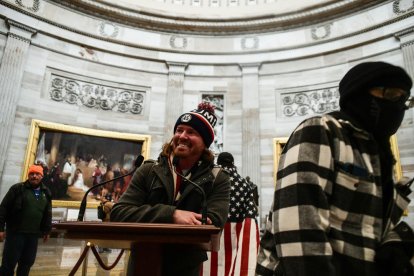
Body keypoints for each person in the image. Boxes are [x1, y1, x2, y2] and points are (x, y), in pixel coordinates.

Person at [256, 61, 414, 276]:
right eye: (391, 94)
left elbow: (372, 224)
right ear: (360, 94)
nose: (399, 106)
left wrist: (393, 242)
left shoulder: (378, 154)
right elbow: (300, 225)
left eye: (404, 99)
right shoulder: (321, 130)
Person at [111, 102, 231, 276]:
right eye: (179, 130)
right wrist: (172, 215)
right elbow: (120, 212)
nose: (182, 136)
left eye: (192, 132)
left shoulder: (217, 177)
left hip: (186, 267)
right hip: (144, 262)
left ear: (205, 142)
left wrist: (149, 215)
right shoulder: (148, 170)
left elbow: (214, 222)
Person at [202, 152, 259, 275]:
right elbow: (250, 215)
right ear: (233, 162)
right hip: (235, 236)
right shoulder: (244, 184)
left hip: (211, 234)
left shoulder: (210, 179)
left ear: (219, 162)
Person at [0, 164, 52, 276]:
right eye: (32, 174)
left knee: (26, 264)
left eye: (37, 174)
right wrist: (0, 228)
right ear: (28, 175)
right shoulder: (17, 189)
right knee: (8, 264)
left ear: (42, 176)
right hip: (15, 233)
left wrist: (47, 230)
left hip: (33, 235)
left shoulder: (46, 192)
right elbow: (3, 208)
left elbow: (47, 213)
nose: (34, 176)